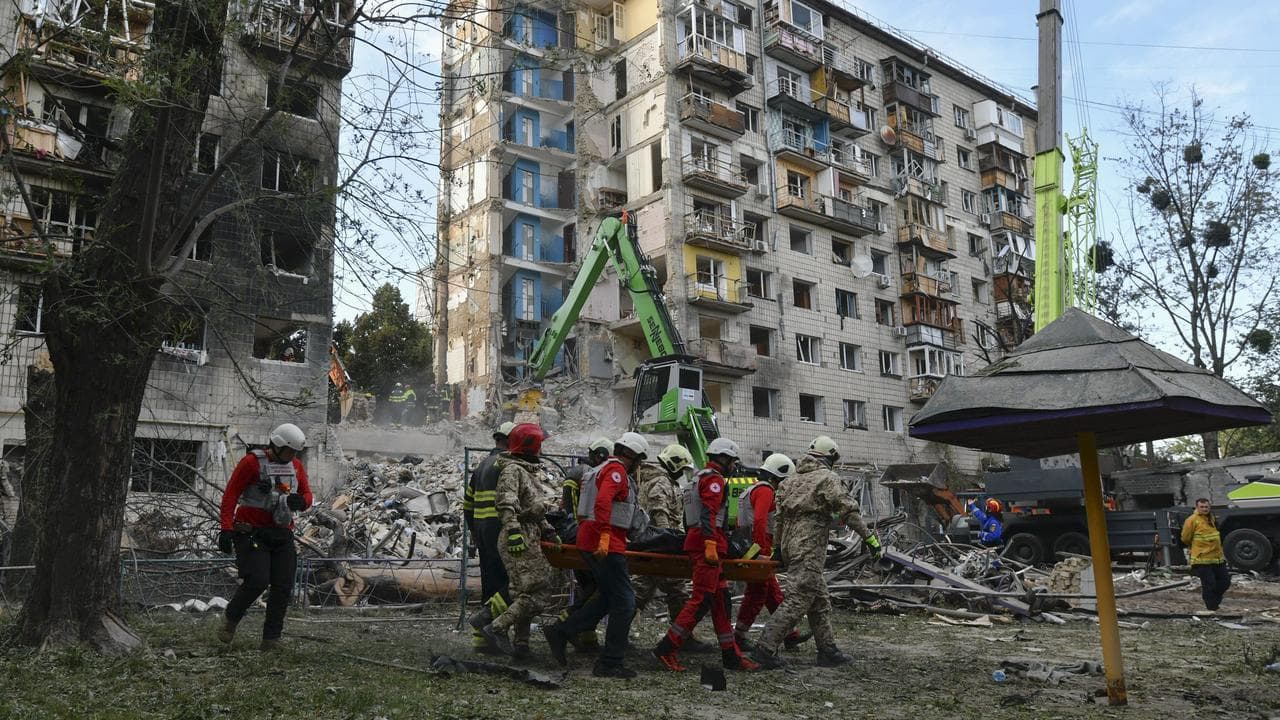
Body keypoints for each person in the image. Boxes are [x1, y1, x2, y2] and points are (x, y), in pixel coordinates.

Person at [751, 436, 881, 670]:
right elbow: (848, 512)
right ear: (830, 457)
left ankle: (827, 649)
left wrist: (778, 550)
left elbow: (779, 519)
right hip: (809, 547)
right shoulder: (827, 478)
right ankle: (764, 648)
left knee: (819, 600)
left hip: (791, 546)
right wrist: (869, 537)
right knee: (798, 599)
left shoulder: (790, 481)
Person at [544, 432, 651, 678]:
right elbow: (603, 502)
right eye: (639, 460)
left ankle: (562, 631)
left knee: (607, 598)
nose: (640, 465)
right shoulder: (616, 472)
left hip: (589, 539)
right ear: (632, 455)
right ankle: (610, 662)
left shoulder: (597, 469)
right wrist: (605, 535)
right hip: (605, 544)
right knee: (625, 603)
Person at [652, 437, 759, 673]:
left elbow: (689, 516)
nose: (734, 466)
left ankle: (730, 654)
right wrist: (710, 543)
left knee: (720, 600)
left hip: (699, 541)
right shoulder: (713, 479)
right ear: (724, 458)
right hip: (707, 545)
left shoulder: (696, 479)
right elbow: (709, 513)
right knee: (701, 600)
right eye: (732, 461)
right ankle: (666, 648)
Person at [216, 423, 313, 652]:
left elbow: (306, 493)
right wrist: (226, 528)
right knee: (257, 581)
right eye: (289, 451)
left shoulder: (296, 466)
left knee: (283, 586)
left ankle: (271, 639)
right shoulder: (251, 463)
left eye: (295, 453)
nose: (292, 456)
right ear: (277, 445)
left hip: (282, 533)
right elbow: (231, 495)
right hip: (251, 532)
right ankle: (231, 618)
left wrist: (303, 502)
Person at [480, 423, 561, 658]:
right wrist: (514, 531)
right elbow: (506, 502)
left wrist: (547, 530)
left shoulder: (525, 471)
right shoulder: (512, 470)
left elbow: (533, 509)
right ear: (530, 446)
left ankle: (521, 645)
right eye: (540, 445)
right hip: (519, 537)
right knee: (540, 591)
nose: (542, 450)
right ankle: (495, 628)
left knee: (523, 593)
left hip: (528, 533)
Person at [733, 453, 809, 652]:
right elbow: (759, 521)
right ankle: (739, 636)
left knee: (772, 593)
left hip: (749, 546)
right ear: (779, 476)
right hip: (758, 546)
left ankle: (789, 635)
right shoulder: (765, 491)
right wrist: (760, 551)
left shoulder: (752, 490)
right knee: (757, 593)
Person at [557, 437, 613, 653]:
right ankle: (567, 620)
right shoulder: (581, 473)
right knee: (594, 587)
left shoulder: (593, 474)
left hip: (586, 537)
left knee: (590, 587)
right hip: (583, 538)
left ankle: (587, 636)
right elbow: (571, 510)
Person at [465, 421, 516, 653]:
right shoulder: (507, 465)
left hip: (482, 532)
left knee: (489, 582)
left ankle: (481, 640)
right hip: (501, 532)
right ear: (509, 440)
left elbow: (467, 504)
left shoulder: (481, 466)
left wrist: (474, 532)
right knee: (509, 584)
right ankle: (492, 628)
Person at [633, 444, 695, 622]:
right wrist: (669, 543)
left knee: (640, 592)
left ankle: (616, 636)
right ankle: (683, 636)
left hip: (653, 544)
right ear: (674, 464)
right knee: (677, 591)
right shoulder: (662, 482)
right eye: (682, 469)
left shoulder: (658, 480)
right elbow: (659, 514)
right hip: (661, 545)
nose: (683, 473)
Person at [1182, 498, 1231, 611]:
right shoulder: (1192, 520)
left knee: (1225, 582)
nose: (1204, 509)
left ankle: (1214, 601)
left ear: (1209, 507)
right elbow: (1185, 538)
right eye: (1202, 507)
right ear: (1197, 507)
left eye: (1206, 507)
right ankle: (1212, 608)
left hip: (1217, 558)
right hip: (1202, 559)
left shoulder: (1211, 518)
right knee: (1209, 584)